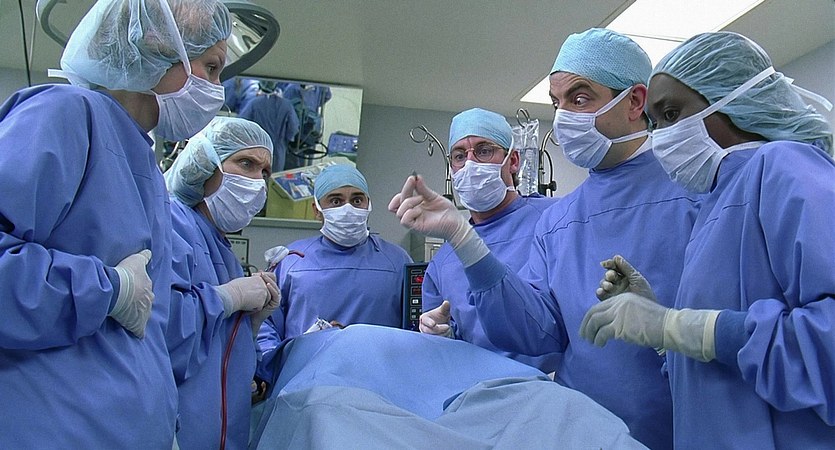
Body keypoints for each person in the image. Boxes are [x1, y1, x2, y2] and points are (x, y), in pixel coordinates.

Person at [390, 28, 703, 450]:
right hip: (577, 431)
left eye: (580, 98)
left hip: (681, 429)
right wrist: (463, 237)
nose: (562, 119)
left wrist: (665, 331)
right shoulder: (559, 220)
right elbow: (536, 334)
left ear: (634, 102)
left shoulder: (696, 192)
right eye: (557, 103)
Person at [580, 31, 835, 449]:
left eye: (672, 113)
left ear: (733, 99)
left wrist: (678, 326)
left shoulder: (784, 165)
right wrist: (661, 325)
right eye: (655, 122)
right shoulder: (717, 203)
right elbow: (715, 372)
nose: (661, 136)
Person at [0, 0, 230, 447]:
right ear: (155, 45)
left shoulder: (141, 161)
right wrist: (109, 289)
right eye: (211, 67)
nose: (217, 90)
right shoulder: (66, 113)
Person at [165, 117, 280, 449]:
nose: (257, 181)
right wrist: (229, 297)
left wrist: (250, 324)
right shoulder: (172, 222)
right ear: (203, 164)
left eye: (265, 172)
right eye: (246, 163)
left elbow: (223, 354)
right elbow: (162, 329)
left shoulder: (222, 248)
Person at [418, 107, 561, 372]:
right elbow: (447, 346)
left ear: (513, 160)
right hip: (477, 390)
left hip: (551, 387)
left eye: (484, 151)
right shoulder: (442, 262)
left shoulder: (556, 219)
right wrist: (441, 336)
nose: (470, 164)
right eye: (459, 156)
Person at [257, 164, 413, 372]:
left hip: (376, 380)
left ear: (368, 205)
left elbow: (416, 330)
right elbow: (264, 325)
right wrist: (281, 363)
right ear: (317, 210)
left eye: (357, 200)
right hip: (302, 380)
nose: (347, 208)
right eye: (336, 201)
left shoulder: (396, 261)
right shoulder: (290, 261)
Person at [238, 81, 300, 173]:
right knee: (274, 178)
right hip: (278, 151)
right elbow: (293, 128)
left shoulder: (254, 103)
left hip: (257, 148)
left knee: (256, 176)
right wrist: (285, 141)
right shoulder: (286, 105)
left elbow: (241, 124)